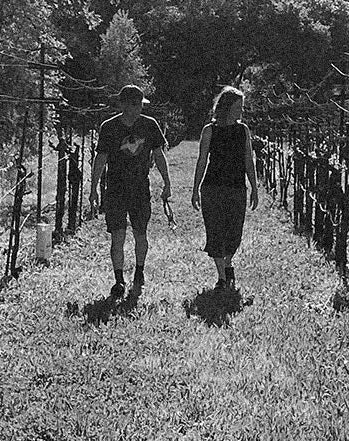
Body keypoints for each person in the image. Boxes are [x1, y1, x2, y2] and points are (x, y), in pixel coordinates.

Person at [89, 84, 171, 297]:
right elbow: (101, 158)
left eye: (140, 104)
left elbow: (159, 154)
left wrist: (167, 182)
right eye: (133, 104)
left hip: (140, 188)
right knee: (118, 235)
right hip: (116, 188)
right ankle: (118, 280)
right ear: (123, 104)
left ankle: (139, 271)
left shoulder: (150, 125)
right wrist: (94, 188)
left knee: (140, 233)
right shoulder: (109, 127)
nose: (137, 109)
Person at [191, 85, 259, 290]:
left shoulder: (243, 130)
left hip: (236, 188)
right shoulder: (210, 130)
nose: (241, 111)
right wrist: (195, 189)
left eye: (242, 107)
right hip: (213, 187)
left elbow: (249, 159)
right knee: (215, 231)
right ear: (227, 107)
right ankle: (222, 277)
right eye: (238, 106)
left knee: (234, 233)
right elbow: (202, 160)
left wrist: (254, 187)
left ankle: (228, 263)